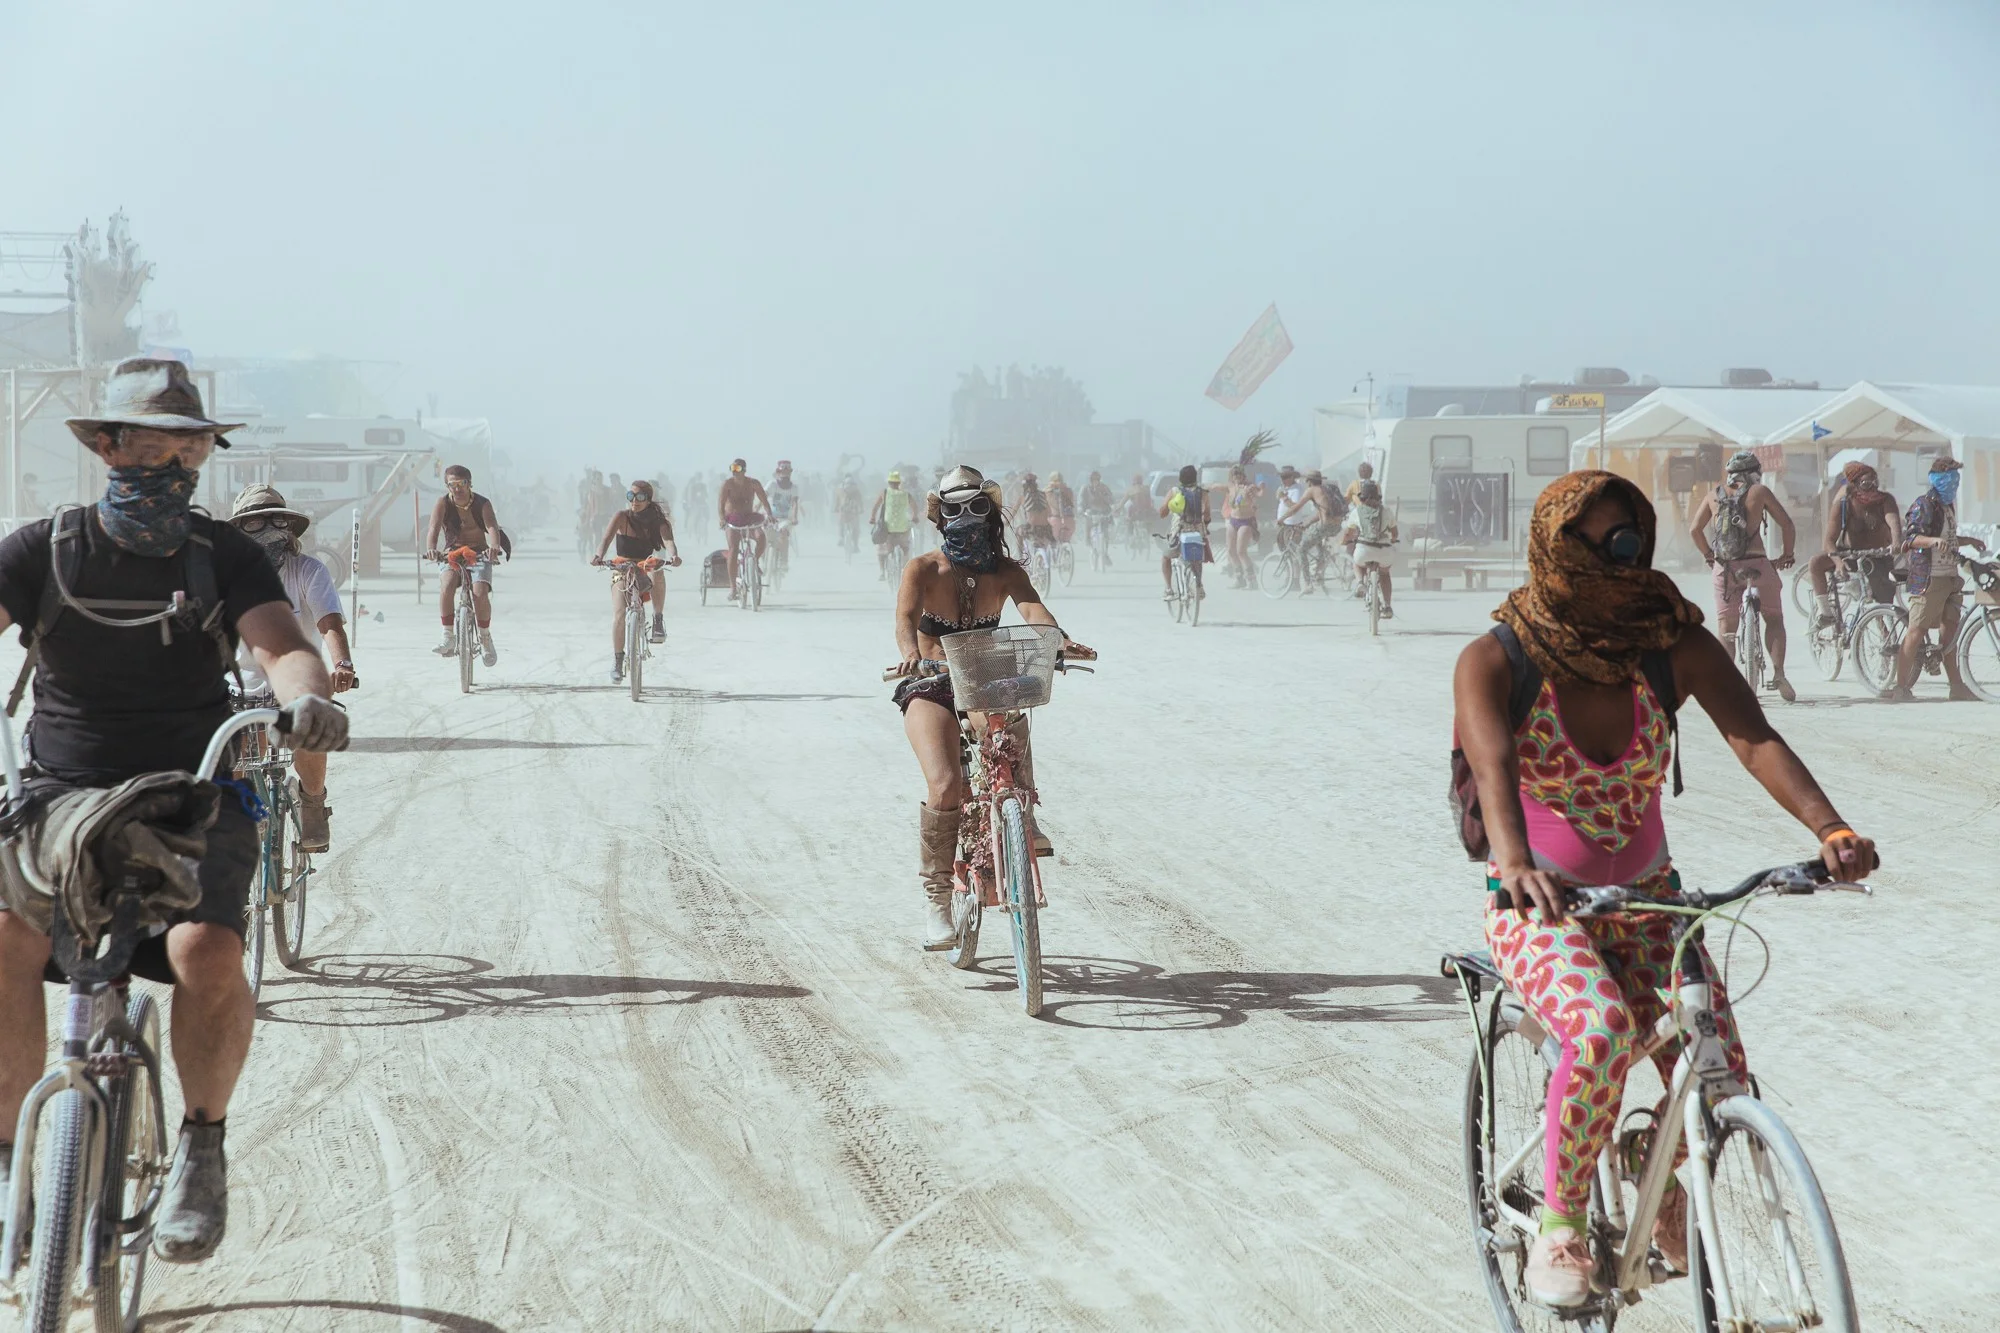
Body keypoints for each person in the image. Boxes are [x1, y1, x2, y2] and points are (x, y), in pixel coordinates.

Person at [1452, 469, 1875, 1309]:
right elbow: (1494, 764)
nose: (1625, 555)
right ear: (1555, 545)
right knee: (1603, 1031)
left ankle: (1670, 1191)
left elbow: (1753, 738)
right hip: (1539, 905)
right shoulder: (1496, 658)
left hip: (1652, 898)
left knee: (1723, 1062)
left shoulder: (1668, 641)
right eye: (1604, 540)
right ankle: (1564, 1222)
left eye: (1633, 538)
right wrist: (1517, 862)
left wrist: (1829, 830)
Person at [0, 358, 348, 1262]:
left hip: (191, 788)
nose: (171, 461)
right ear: (106, 445)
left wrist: (308, 696)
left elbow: (283, 647)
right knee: (4, 936)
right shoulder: (43, 548)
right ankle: (9, 1165)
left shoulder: (222, 553)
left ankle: (202, 1144)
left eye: (186, 445)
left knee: (207, 949)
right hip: (59, 795)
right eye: (149, 441)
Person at [892, 466, 1094, 946]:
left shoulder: (1007, 571)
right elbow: (903, 619)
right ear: (940, 518)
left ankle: (1021, 812)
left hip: (984, 678)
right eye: (955, 510)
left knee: (1007, 729)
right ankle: (937, 899)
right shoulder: (922, 568)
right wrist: (910, 657)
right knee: (945, 785)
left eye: (976, 509)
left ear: (991, 515)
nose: (967, 520)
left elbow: (1034, 612)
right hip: (933, 681)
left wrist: (1059, 641)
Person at [227, 485, 356, 852]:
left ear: (288, 528)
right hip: (242, 686)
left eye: (275, 520)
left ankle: (313, 803)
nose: (267, 528)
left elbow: (329, 623)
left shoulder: (307, 570)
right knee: (231, 761)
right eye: (254, 523)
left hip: (296, 682)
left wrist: (342, 663)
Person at [1688, 450, 1797, 702]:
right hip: (1758, 564)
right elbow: (1787, 524)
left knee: (1727, 629)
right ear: (1753, 473)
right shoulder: (1759, 492)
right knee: (1774, 619)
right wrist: (1787, 554)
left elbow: (1695, 529)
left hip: (1725, 568)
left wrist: (1708, 554)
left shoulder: (1713, 495)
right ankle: (1779, 673)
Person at [1893, 455, 1987, 701]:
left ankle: (1956, 686)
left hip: (1950, 577)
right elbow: (1910, 539)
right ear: (1937, 480)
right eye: (1949, 480)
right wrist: (1932, 541)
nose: (1953, 485)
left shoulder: (1947, 506)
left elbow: (1949, 537)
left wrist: (1969, 541)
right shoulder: (1925, 504)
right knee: (1916, 630)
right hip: (1928, 578)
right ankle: (1900, 687)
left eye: (1956, 480)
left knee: (1950, 635)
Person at [592, 478, 682, 682]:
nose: (635, 501)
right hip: (621, 566)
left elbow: (668, 541)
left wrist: (674, 555)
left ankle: (658, 619)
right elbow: (605, 540)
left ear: (649, 500)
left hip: (644, 564)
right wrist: (598, 556)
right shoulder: (621, 517)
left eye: (640, 497)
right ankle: (617, 660)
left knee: (658, 569)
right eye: (631, 496)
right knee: (619, 614)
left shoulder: (659, 522)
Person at [425, 466, 509, 666]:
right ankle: (448, 636)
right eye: (452, 485)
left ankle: (485, 638)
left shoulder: (482, 503)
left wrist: (494, 547)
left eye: (461, 483)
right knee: (446, 585)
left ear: (469, 483)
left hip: (479, 553)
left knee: (480, 592)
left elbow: (491, 527)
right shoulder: (443, 503)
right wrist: (431, 549)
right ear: (447, 486)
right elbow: (433, 529)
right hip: (452, 553)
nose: (457, 489)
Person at [1807, 461, 1900, 622]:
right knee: (1816, 563)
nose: (1872, 488)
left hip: (1878, 558)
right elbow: (1828, 541)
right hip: (1849, 556)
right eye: (1866, 484)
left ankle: (1886, 637)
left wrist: (1897, 541)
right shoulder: (1844, 504)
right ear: (1855, 485)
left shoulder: (1885, 500)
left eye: (1875, 482)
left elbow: (1893, 522)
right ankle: (1825, 613)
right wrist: (1837, 562)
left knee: (1883, 603)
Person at [717, 458, 771, 598]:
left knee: (761, 537)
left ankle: (754, 561)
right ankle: (733, 588)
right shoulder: (727, 485)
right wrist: (722, 519)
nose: (735, 472)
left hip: (749, 518)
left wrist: (770, 514)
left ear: (744, 470)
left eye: (738, 469)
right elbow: (721, 504)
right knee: (733, 550)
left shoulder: (753, 483)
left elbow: (764, 501)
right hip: (733, 520)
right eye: (732, 468)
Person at [1344, 480, 1398, 617]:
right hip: (1384, 551)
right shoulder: (1386, 511)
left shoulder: (1357, 512)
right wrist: (1392, 539)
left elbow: (1349, 532)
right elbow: (1395, 533)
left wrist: (1346, 540)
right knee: (1385, 574)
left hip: (1364, 551)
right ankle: (1387, 607)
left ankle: (1360, 582)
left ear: (1362, 497)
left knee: (1357, 563)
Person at [1158, 464, 1211, 599]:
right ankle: (1199, 586)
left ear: (1180, 479)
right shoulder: (1203, 492)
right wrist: (1205, 526)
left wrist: (1168, 508)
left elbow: (1162, 513)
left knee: (1165, 558)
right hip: (1197, 532)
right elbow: (1207, 515)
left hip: (1179, 531)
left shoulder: (1175, 491)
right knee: (1197, 559)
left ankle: (1169, 590)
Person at [870, 470, 916, 580]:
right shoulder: (906, 494)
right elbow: (914, 507)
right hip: (903, 527)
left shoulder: (884, 493)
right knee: (905, 548)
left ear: (889, 482)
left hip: (887, 528)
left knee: (882, 549)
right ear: (899, 483)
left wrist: (872, 518)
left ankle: (882, 572)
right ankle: (905, 571)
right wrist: (915, 516)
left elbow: (876, 506)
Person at [1011, 473, 1057, 570]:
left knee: (1018, 532)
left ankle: (1020, 559)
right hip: (1046, 527)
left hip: (1031, 528)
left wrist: (1005, 522)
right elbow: (1049, 511)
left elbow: (1013, 512)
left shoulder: (1022, 497)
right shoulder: (1043, 494)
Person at [767, 459, 802, 570]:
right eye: (783, 472)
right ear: (778, 472)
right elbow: (763, 498)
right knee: (765, 538)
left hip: (785, 519)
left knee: (784, 536)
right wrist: (756, 509)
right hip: (771, 517)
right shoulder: (772, 485)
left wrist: (795, 517)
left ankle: (784, 561)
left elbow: (795, 503)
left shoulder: (794, 488)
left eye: (788, 472)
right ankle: (763, 561)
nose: (785, 474)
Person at [1079, 471, 1115, 565]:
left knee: (1105, 534)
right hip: (1091, 512)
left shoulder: (1104, 488)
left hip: (1103, 512)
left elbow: (1111, 499)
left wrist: (1107, 500)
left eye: (1097, 480)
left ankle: (1105, 553)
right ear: (1090, 480)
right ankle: (1090, 544)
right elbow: (1081, 500)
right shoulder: (1085, 489)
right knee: (1088, 526)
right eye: (1093, 480)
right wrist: (1081, 509)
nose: (1095, 481)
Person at [835, 472, 863, 554]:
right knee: (856, 528)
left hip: (843, 510)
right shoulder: (856, 489)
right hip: (854, 511)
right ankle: (856, 546)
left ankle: (840, 537)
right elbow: (860, 501)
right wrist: (861, 509)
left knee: (840, 522)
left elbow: (838, 500)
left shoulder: (841, 488)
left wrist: (836, 508)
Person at [1046, 471, 1077, 547]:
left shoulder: (1047, 491)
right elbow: (1073, 503)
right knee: (1066, 539)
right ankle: (1066, 550)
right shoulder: (1068, 490)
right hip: (1070, 520)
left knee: (1051, 540)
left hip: (1054, 520)